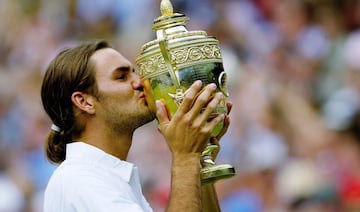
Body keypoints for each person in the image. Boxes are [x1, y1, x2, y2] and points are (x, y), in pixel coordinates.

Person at [40, 40, 232, 212]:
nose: (141, 83)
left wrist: (198, 158)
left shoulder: (103, 176)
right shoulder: (80, 179)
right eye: (121, 77)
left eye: (135, 72)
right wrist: (185, 157)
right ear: (84, 101)